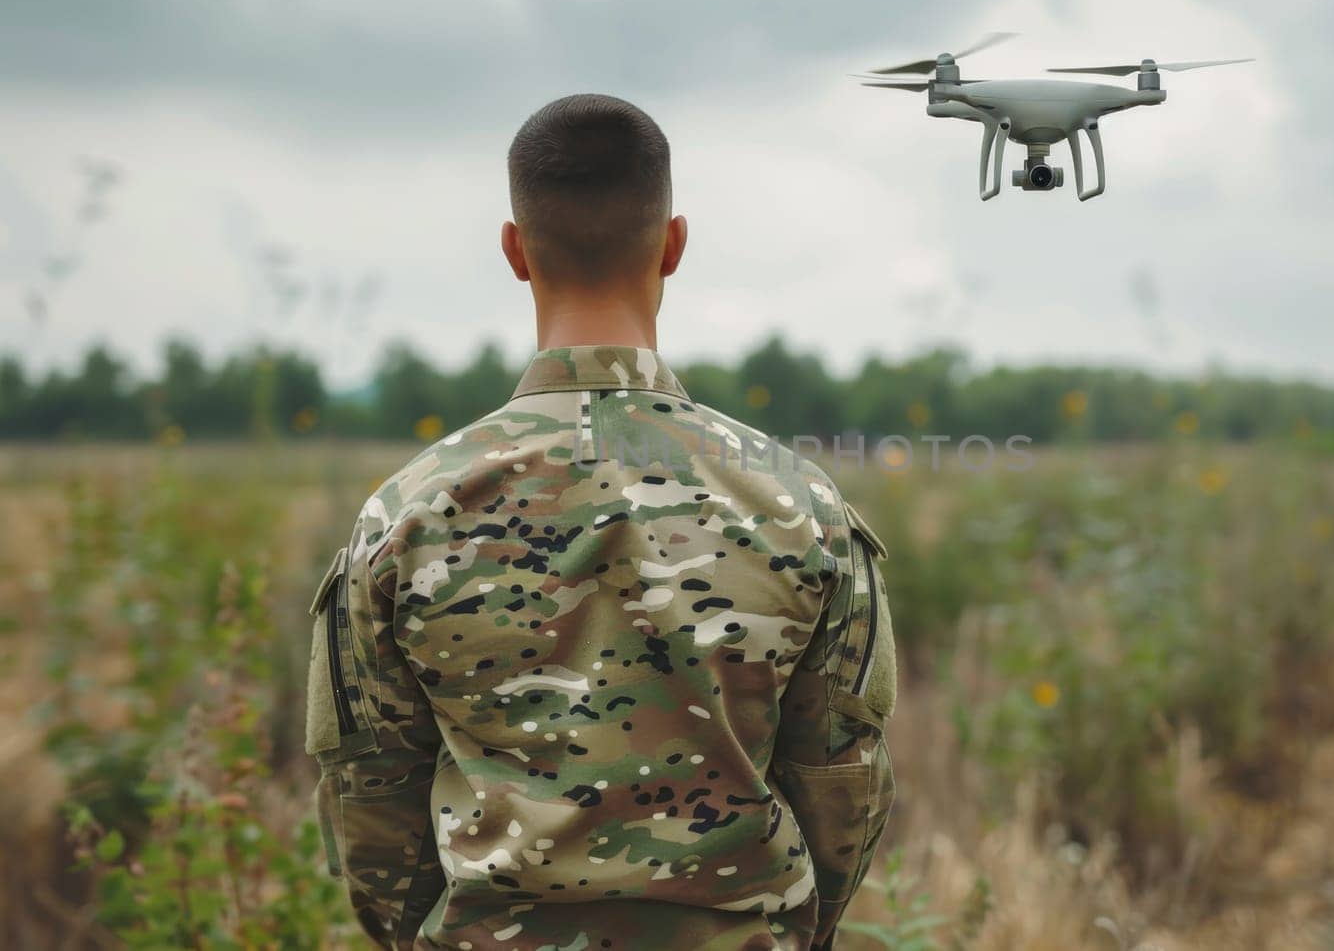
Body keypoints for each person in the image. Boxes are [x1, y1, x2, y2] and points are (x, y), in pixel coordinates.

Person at [303, 93, 896, 951]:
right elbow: (841, 781)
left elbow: (371, 800)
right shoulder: (800, 505)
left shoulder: (406, 515)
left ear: (514, 249)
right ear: (673, 244)